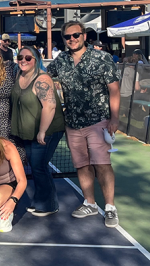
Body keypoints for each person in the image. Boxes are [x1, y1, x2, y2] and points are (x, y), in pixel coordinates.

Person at [47, 20, 121, 228]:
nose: (72, 39)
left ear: (84, 36)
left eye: (75, 35)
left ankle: (110, 207)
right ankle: (89, 202)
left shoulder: (102, 58)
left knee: (102, 165)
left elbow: (114, 90)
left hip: (99, 121)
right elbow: (43, 77)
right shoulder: (61, 60)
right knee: (82, 164)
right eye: (67, 37)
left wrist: (114, 118)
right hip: (72, 123)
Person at [11, 46, 65, 216]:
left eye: (28, 58)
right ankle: (42, 201)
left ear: (36, 59)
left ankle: (49, 204)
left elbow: (49, 106)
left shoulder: (42, 79)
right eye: (21, 57)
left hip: (46, 132)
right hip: (27, 132)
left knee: (39, 166)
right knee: (35, 167)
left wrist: (42, 131)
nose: (24, 61)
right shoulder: (19, 75)